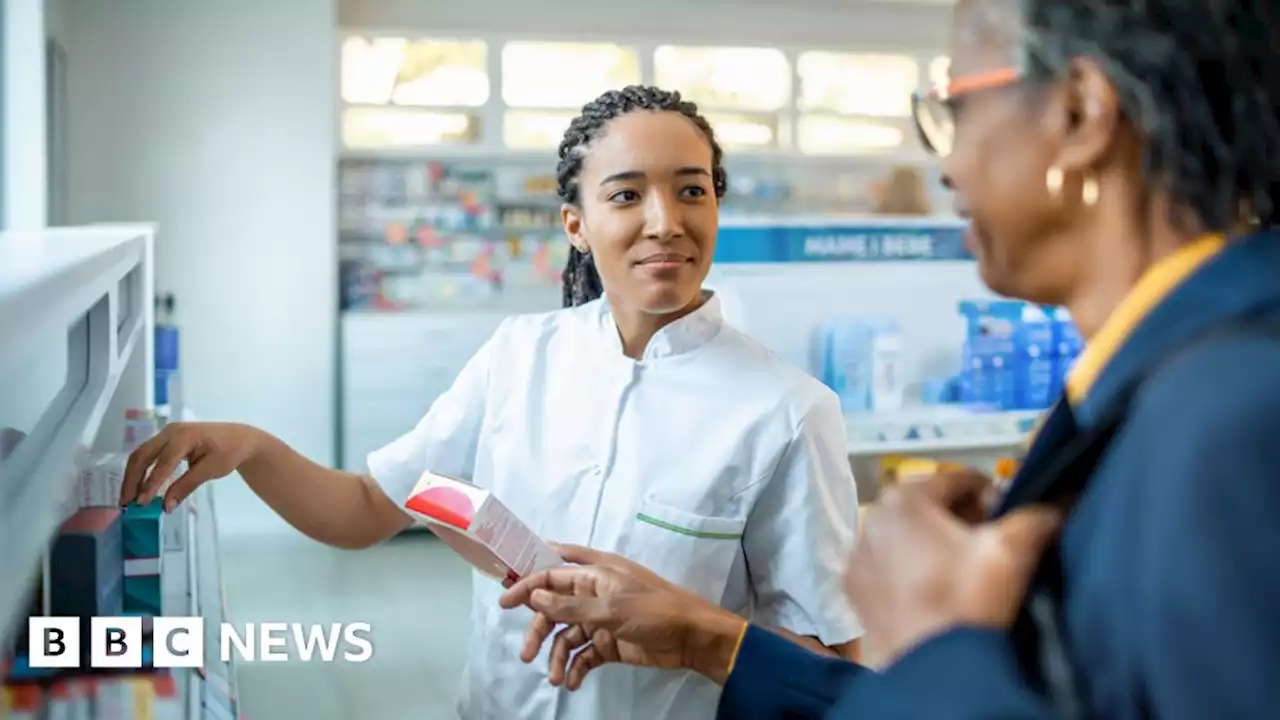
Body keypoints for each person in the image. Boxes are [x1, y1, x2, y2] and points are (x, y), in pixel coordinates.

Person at [499, 0, 1280, 716]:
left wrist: (940, 646)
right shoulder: (1161, 390)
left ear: (1079, 111)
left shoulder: (1235, 421)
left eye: (955, 109)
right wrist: (707, 639)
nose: (946, 167)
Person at [120, 85, 864, 719]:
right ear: (575, 224)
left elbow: (823, 670)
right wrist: (253, 448)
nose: (665, 220)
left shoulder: (788, 412)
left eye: (691, 189)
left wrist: (685, 625)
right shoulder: (520, 354)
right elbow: (368, 508)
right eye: (627, 193)